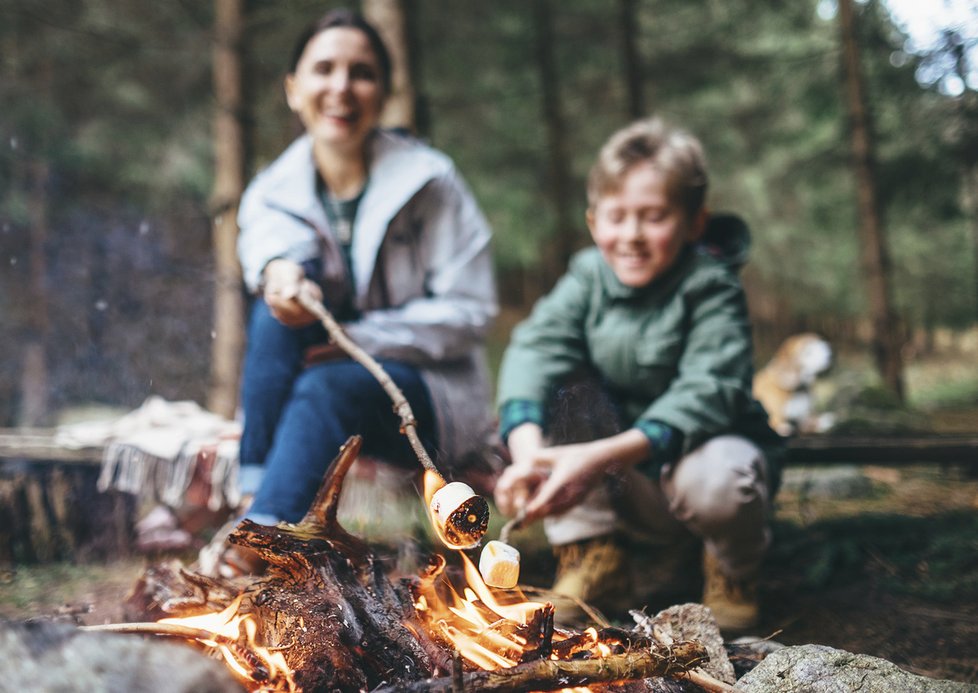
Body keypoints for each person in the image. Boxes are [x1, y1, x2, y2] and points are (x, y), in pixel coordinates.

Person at [492, 117, 783, 633]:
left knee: (720, 476)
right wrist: (529, 455)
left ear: (695, 223)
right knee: (564, 392)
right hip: (622, 480)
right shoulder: (588, 277)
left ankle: (732, 569)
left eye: (653, 217)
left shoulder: (711, 287)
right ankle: (594, 555)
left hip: (690, 471)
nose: (631, 236)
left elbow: (710, 390)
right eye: (617, 216)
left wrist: (594, 457)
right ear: (592, 220)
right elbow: (534, 350)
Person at [234, 10, 497, 535]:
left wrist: (359, 338)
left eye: (361, 72)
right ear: (293, 88)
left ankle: (260, 533)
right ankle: (252, 496)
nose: (341, 87)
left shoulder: (431, 181)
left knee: (329, 384)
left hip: (429, 394)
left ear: (382, 91)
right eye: (324, 69)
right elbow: (271, 248)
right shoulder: (272, 190)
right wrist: (282, 275)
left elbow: (471, 311)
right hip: (325, 390)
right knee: (274, 320)